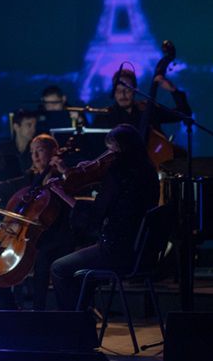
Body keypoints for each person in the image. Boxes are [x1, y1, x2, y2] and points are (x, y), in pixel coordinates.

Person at [50, 124, 160, 310]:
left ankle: (73, 326)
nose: (108, 155)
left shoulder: (118, 173)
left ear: (122, 149)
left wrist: (62, 193)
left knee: (59, 268)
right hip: (142, 253)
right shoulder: (147, 169)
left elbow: (94, 218)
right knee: (83, 274)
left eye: (112, 149)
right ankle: (82, 323)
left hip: (118, 252)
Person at [0, 134, 75, 310]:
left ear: (54, 152)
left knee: (43, 256)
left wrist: (64, 172)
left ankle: (39, 310)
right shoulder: (30, 179)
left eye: (40, 151)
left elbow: (79, 194)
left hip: (58, 236)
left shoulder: (64, 177)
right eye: (32, 153)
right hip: (30, 237)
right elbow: (3, 186)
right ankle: (10, 308)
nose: (36, 157)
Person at [92, 69, 191, 132]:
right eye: (118, 91)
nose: (123, 95)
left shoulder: (148, 109)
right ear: (113, 92)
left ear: (136, 90)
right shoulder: (104, 117)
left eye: (127, 90)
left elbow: (184, 114)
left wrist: (173, 90)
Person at [0, 109, 38, 180]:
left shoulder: (37, 151)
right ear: (16, 127)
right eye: (29, 125)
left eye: (34, 126)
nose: (33, 129)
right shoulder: (2, 150)